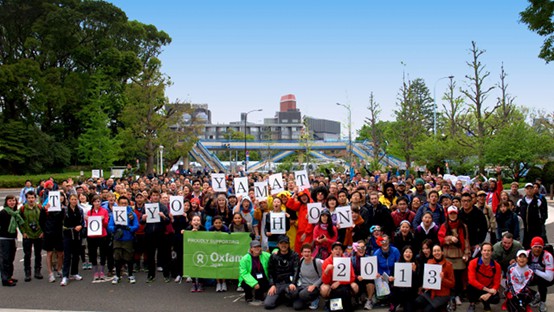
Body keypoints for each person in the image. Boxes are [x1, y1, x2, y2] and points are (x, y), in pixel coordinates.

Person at [438, 206, 470, 306]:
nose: (452, 216)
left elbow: (466, 240)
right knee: (449, 277)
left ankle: (458, 295)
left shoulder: (463, 226)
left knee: (459, 277)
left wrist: (466, 253)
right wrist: (449, 238)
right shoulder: (444, 226)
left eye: (454, 213)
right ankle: (450, 296)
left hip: (460, 255)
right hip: (448, 255)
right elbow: (440, 239)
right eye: (451, 214)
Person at [140, 189, 171, 283]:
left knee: (164, 255)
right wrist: (143, 218)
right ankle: (151, 275)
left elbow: (168, 221)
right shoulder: (146, 207)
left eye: (157, 195)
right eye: (153, 195)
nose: (155, 197)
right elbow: (141, 222)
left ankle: (166, 275)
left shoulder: (163, 207)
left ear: (159, 197)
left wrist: (164, 217)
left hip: (160, 233)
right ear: (151, 196)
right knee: (150, 256)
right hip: (149, 234)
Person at [108, 196, 139, 285]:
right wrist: (115, 228)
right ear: (118, 203)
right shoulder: (115, 214)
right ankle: (117, 275)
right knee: (117, 257)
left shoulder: (131, 214)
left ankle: (130, 274)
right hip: (117, 238)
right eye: (122, 203)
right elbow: (109, 226)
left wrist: (129, 228)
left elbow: (136, 225)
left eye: (125, 203)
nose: (124, 205)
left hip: (128, 238)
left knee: (128, 257)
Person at [414, 244, 455, 312]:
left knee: (428, 310)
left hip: (442, 294)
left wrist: (443, 280)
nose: (436, 253)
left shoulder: (448, 265)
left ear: (442, 252)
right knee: (417, 302)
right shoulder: (429, 262)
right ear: (432, 253)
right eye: (434, 251)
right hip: (430, 292)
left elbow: (452, 284)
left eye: (438, 250)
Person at [320, 241, 359, 312]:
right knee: (324, 288)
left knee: (354, 286)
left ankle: (351, 301)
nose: (338, 251)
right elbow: (325, 281)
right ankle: (328, 302)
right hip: (331, 284)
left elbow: (352, 277)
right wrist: (327, 271)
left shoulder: (346, 260)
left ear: (342, 251)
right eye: (335, 249)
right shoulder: (326, 261)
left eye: (340, 249)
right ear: (331, 251)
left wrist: (340, 282)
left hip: (344, 284)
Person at [264, 235, 299, 309]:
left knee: (294, 295)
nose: (284, 245)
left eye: (286, 243)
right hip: (277, 284)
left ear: (289, 244)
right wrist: (272, 285)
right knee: (268, 305)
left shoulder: (295, 255)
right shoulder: (273, 256)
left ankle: (286, 296)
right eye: (281, 243)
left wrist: (293, 283)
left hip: (289, 283)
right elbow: (270, 271)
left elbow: (296, 270)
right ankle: (281, 297)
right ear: (278, 245)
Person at [39, 191, 66, 283]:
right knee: (49, 253)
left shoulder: (61, 209)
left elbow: (62, 219)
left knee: (60, 253)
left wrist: (62, 209)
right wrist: (45, 231)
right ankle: (50, 273)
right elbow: (41, 221)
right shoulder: (45, 209)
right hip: (48, 234)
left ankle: (59, 269)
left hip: (58, 233)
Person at [467, 242, 501, 312]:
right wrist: (488, 290)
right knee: (469, 286)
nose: (486, 252)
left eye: (489, 251)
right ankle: (472, 304)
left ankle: (486, 303)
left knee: (496, 299)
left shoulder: (497, 266)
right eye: (484, 250)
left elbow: (497, 283)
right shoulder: (473, 263)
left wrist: (489, 294)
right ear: (481, 251)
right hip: (477, 287)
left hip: (489, 287)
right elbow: (472, 280)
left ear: (491, 252)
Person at [18, 191, 43, 281]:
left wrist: (42, 231)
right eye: (29, 198)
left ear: (35, 198)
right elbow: (19, 222)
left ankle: (37, 271)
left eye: (32, 198)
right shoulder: (22, 209)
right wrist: (23, 232)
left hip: (38, 235)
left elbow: (44, 220)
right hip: (27, 235)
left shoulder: (40, 208)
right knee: (27, 255)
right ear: (26, 199)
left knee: (38, 254)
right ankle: (27, 273)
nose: (31, 200)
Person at [60, 194, 85, 286]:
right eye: (72, 199)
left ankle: (74, 272)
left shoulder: (80, 210)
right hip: (67, 234)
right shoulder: (64, 210)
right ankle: (65, 275)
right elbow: (61, 222)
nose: (74, 201)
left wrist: (81, 226)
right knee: (67, 256)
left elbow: (83, 222)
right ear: (69, 200)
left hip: (77, 235)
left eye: (75, 199)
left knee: (76, 255)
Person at [238, 240, 271, 306]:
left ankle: (259, 295)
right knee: (247, 285)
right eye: (254, 247)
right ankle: (248, 295)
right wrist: (254, 283)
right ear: (251, 248)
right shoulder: (244, 259)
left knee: (261, 294)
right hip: (249, 277)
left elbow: (275, 255)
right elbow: (244, 273)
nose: (257, 248)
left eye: (258, 246)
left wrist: (275, 251)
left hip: (262, 277)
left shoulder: (266, 255)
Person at [85, 194, 110, 281]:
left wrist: (103, 219)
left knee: (103, 253)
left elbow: (106, 223)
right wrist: (87, 219)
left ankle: (102, 271)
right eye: (95, 201)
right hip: (92, 236)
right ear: (92, 202)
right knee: (93, 253)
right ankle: (95, 271)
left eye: (98, 201)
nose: (97, 203)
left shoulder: (104, 211)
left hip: (102, 235)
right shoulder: (89, 212)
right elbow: (88, 225)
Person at [292, 243, 323, 310]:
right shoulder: (301, 260)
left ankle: (315, 298)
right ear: (301, 253)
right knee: (296, 306)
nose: (307, 253)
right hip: (303, 286)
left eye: (309, 252)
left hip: (313, 287)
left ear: (311, 253)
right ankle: (307, 301)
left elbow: (322, 277)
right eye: (305, 252)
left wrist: (314, 285)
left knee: (302, 294)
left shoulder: (316, 262)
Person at [0, 195, 23, 286]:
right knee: (5, 259)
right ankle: (5, 279)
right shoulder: (3, 212)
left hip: (13, 238)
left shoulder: (15, 213)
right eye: (10, 201)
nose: (12, 202)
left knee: (11, 259)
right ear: (6, 202)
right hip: (4, 238)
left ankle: (9, 276)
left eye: (14, 201)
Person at [527, 237, 553, 312]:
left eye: (540, 247)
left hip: (546, 278)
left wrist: (534, 270)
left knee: (542, 281)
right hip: (533, 276)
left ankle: (542, 302)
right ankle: (536, 295)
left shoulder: (547, 256)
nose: (537, 249)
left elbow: (549, 277)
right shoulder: (526, 254)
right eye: (535, 247)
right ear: (531, 247)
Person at [390, 245, 419, 312]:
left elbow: (417, 283)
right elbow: (392, 277)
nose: (408, 254)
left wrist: (414, 271)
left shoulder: (416, 264)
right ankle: (396, 304)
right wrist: (391, 278)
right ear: (403, 253)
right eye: (406, 252)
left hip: (410, 293)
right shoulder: (397, 264)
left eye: (410, 252)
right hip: (398, 291)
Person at [516, 183, 546, 248]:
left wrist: (541, 222)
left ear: (533, 190)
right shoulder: (520, 202)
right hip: (523, 229)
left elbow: (543, 213)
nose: (529, 190)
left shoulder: (538, 201)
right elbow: (516, 214)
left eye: (531, 188)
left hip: (535, 229)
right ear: (525, 190)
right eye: (527, 189)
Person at [286, 189, 314, 253]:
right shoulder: (300, 205)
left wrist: (305, 233)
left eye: (304, 195)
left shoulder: (312, 206)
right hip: (299, 233)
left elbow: (311, 223)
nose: (303, 197)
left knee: (306, 251)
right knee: (298, 251)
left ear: (308, 195)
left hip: (308, 234)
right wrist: (294, 194)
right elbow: (289, 204)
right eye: (301, 196)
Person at [350, 240, 374, 310]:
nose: (361, 250)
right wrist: (357, 277)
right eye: (359, 248)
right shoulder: (352, 259)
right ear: (355, 249)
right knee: (352, 284)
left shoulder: (369, 258)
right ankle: (354, 298)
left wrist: (376, 273)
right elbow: (350, 273)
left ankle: (369, 300)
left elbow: (373, 271)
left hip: (366, 280)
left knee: (371, 282)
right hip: (356, 279)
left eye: (363, 247)